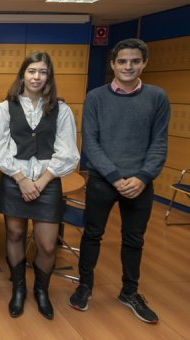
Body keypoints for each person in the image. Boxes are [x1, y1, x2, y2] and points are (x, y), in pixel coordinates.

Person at [69, 38, 169, 324]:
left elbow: (159, 143)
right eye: (122, 61)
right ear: (112, 63)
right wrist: (115, 176)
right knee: (92, 234)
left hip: (141, 183)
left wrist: (142, 177)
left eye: (135, 61)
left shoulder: (157, 97)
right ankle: (84, 286)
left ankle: (130, 291)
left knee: (134, 239)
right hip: (103, 180)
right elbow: (91, 141)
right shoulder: (96, 97)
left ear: (144, 63)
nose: (128, 66)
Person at [0, 51, 80, 320]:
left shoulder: (61, 110)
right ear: (23, 74)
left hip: (47, 182)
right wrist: (22, 180)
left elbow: (69, 153)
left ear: (49, 76)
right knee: (15, 234)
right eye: (32, 71)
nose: (36, 77)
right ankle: (19, 289)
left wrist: (40, 182)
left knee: (47, 244)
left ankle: (42, 291)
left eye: (42, 72)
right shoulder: (5, 107)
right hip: (14, 180)